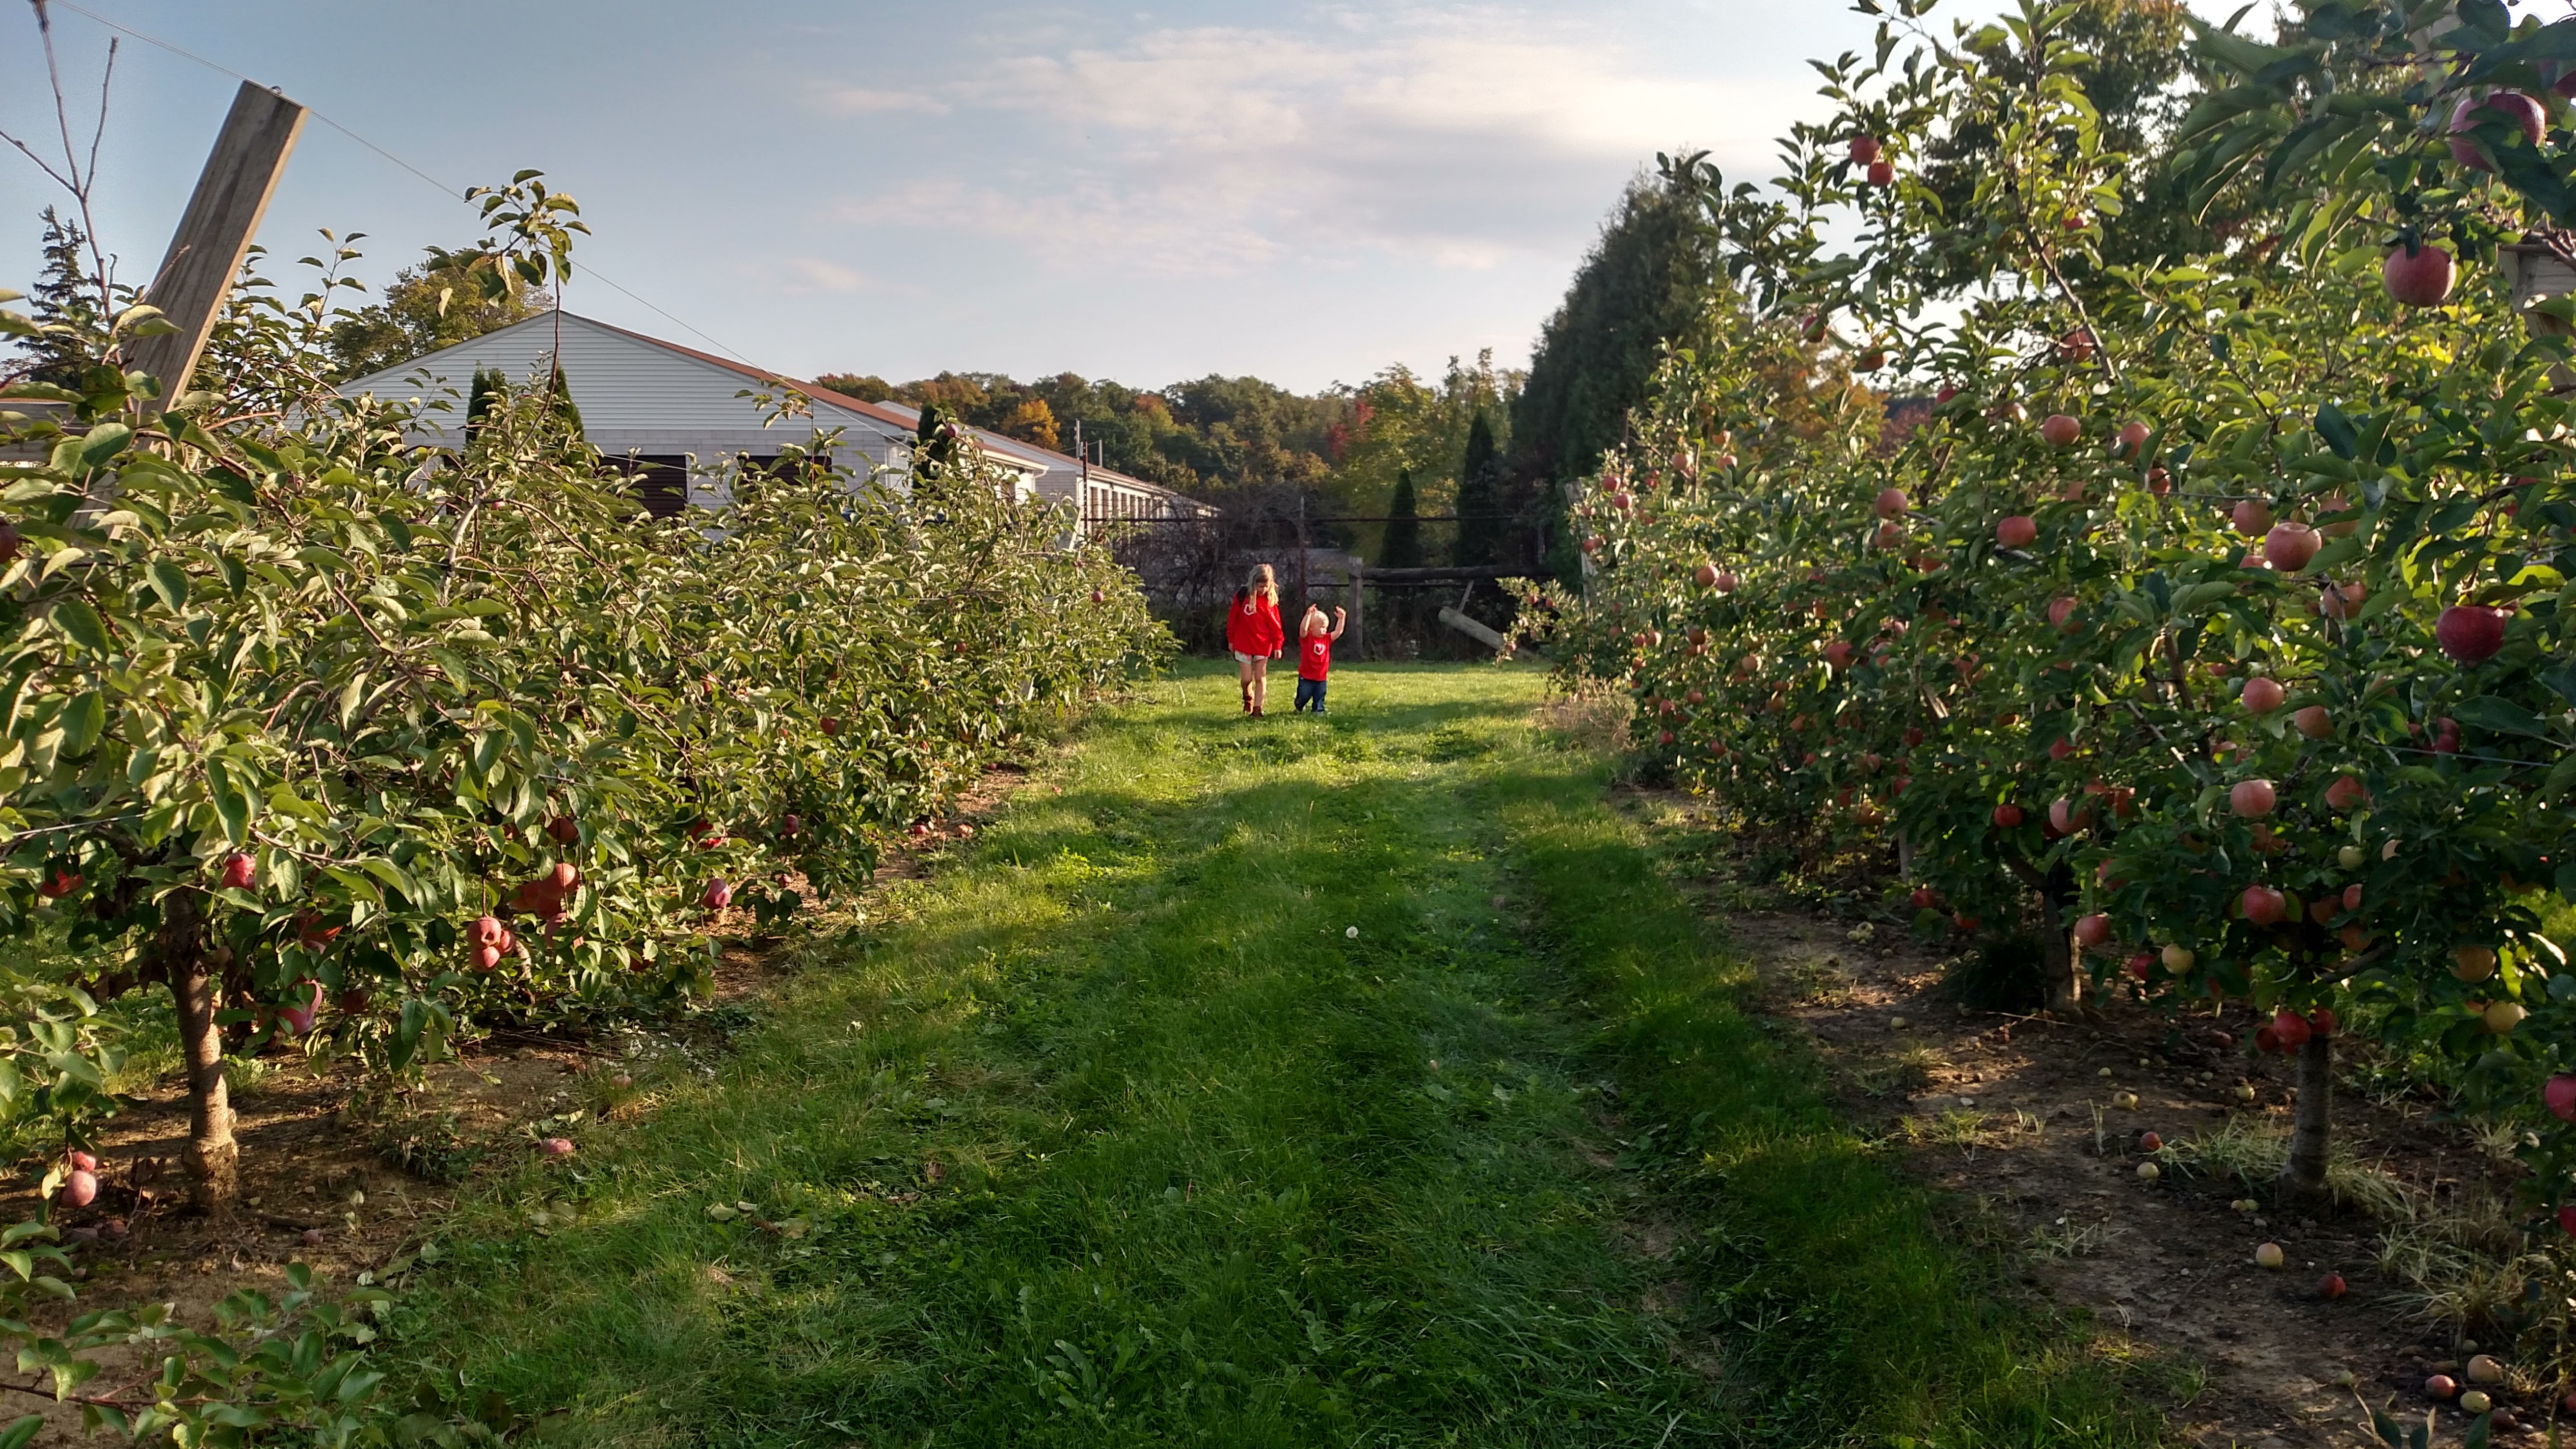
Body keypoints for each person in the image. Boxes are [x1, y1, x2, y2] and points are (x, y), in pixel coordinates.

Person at [1225, 564, 1284, 716]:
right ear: (1253, 583)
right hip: (1243, 643)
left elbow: (1276, 626)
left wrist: (1278, 645)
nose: (1263, 590)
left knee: (1260, 677)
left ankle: (1258, 710)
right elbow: (1233, 619)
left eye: (1266, 586)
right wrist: (1230, 640)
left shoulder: (1270, 601)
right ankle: (1248, 697)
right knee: (1246, 679)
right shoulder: (1242, 597)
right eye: (1260, 586)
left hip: (1263, 645)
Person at [1293, 603, 1345, 714]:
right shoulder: (1307, 638)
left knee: (1320, 695)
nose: (1324, 630)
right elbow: (1303, 629)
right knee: (1304, 695)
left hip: (1321, 676)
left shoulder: (1327, 639)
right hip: (1306, 676)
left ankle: (1318, 711)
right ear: (1311, 628)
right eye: (1321, 627)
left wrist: (1342, 619)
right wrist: (1308, 615)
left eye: (1326, 628)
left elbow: (1338, 632)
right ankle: (1299, 706)